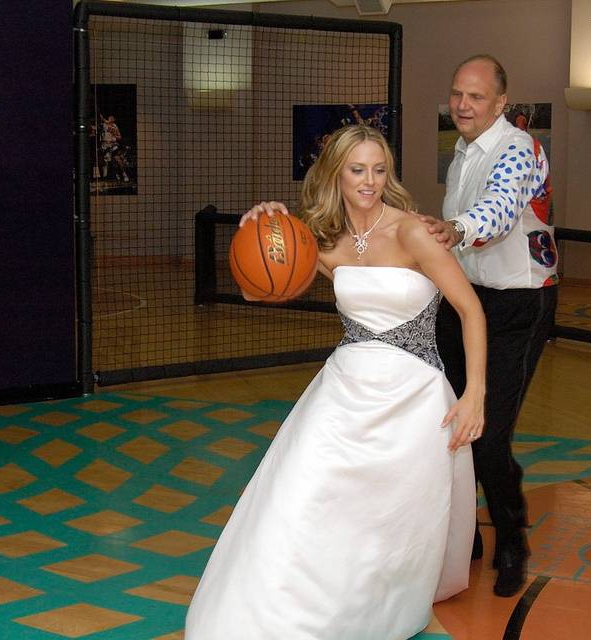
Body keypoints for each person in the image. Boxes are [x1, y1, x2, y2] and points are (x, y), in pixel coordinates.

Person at [184, 125, 487, 639]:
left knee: (387, 519)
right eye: (357, 170)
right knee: (302, 495)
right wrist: (259, 231)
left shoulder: (413, 232)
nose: (369, 181)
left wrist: (474, 393)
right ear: (335, 175)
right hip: (344, 389)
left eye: (379, 169)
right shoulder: (319, 240)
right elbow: (262, 293)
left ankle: (370, 608)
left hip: (415, 399)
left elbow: (470, 310)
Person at [417, 54, 559, 598]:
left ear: (502, 102)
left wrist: (454, 228)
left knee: (489, 432)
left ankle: (513, 536)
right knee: (453, 425)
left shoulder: (518, 147)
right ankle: (464, 536)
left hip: (521, 306)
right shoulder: (461, 152)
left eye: (476, 96)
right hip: (468, 303)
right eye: (457, 94)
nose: (462, 104)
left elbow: (498, 210)